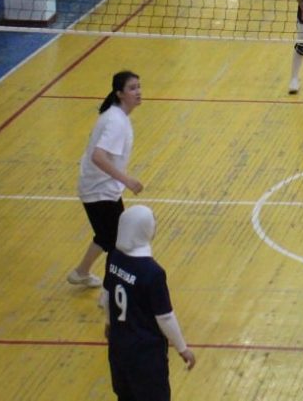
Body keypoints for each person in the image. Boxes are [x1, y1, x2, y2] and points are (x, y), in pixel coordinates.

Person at [101, 205, 196, 400]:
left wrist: (109, 323)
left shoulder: (114, 258)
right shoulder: (152, 272)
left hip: (118, 349)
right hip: (145, 356)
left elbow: (106, 296)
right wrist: (182, 348)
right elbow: (165, 317)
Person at [69, 71, 146, 288]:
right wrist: (127, 180)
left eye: (139, 87)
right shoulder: (116, 122)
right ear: (119, 93)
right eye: (132, 88)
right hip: (99, 191)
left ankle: (81, 273)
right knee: (116, 243)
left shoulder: (117, 116)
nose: (138, 92)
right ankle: (110, 292)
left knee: (106, 236)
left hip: (102, 188)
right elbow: (98, 156)